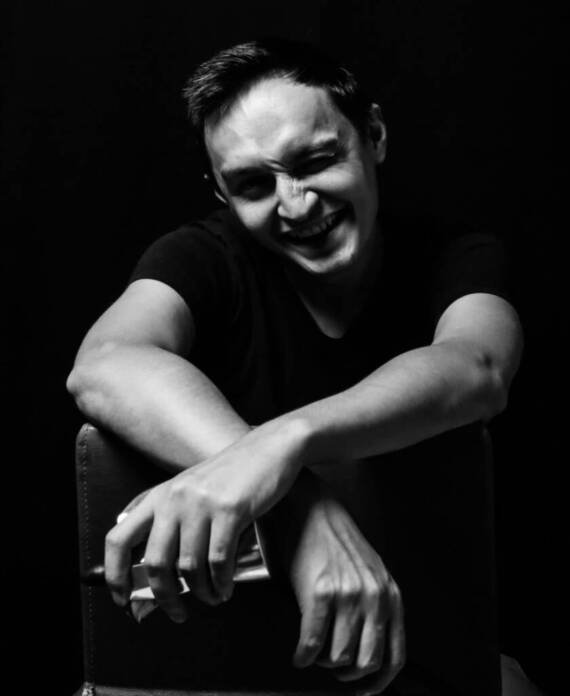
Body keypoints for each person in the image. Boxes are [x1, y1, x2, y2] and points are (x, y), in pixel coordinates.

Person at [67, 38, 523, 695]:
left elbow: (477, 367)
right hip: (235, 658)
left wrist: (280, 447)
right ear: (221, 193)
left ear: (374, 135)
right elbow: (105, 363)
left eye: (316, 161)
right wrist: (296, 507)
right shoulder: (204, 257)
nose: (296, 205)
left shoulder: (456, 256)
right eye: (253, 185)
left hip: (428, 647)